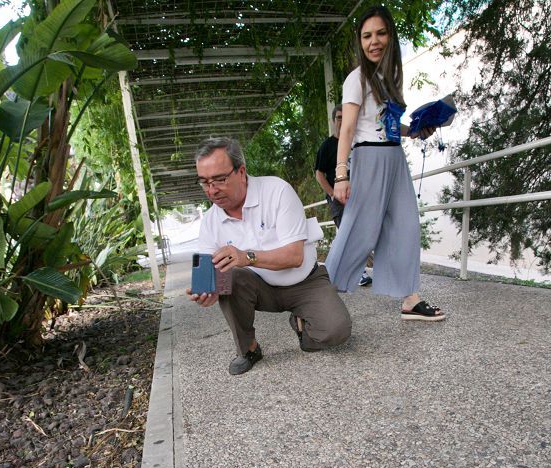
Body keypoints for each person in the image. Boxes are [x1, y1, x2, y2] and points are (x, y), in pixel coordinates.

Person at [187, 137, 352, 375]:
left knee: (337, 331)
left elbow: (294, 256)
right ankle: (249, 349)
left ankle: (301, 324)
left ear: (241, 172)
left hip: (304, 281)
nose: (212, 190)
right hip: (259, 288)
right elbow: (216, 277)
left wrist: (246, 257)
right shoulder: (210, 222)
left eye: (220, 179)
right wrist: (209, 292)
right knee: (230, 277)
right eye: (204, 182)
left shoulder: (277, 191)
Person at [325, 5, 446, 321]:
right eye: (366, 36)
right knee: (360, 230)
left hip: (395, 157)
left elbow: (385, 124)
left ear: (390, 36)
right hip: (369, 158)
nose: (374, 41)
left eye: (380, 33)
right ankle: (320, 295)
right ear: (360, 41)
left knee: (406, 225)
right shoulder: (357, 79)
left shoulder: (390, 77)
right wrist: (341, 174)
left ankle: (410, 298)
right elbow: (348, 129)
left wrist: (415, 131)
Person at [315, 103, 372, 287]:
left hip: (359, 196)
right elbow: (319, 174)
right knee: (348, 232)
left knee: (363, 232)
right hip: (338, 197)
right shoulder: (327, 146)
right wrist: (332, 193)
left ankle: (335, 269)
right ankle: (358, 273)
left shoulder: (357, 143)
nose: (342, 121)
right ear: (334, 120)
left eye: (345, 117)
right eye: (339, 117)